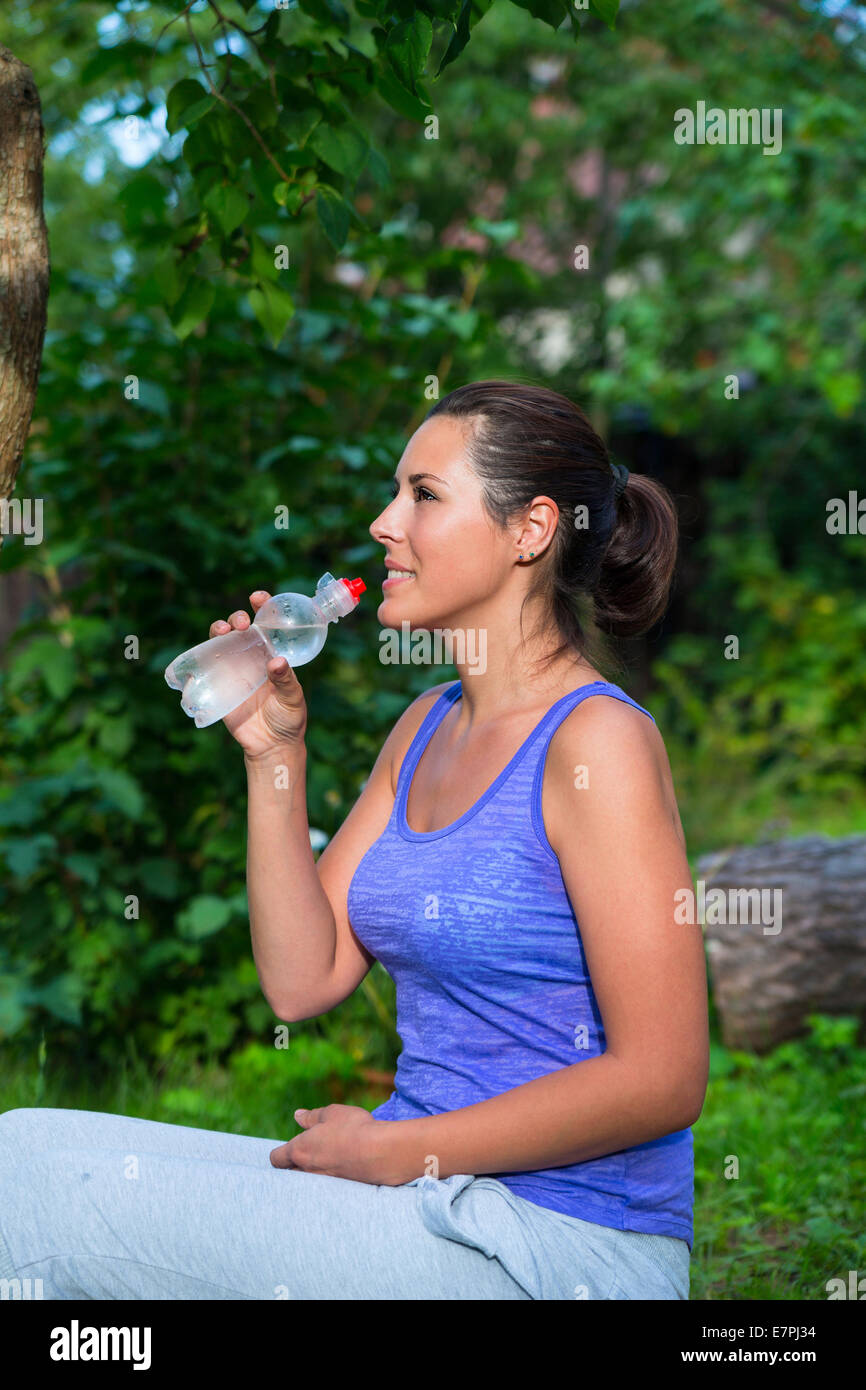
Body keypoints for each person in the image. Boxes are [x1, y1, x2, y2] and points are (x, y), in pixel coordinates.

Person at [0, 379, 708, 1300]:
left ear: (531, 529)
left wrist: (395, 1149)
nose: (384, 522)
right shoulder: (424, 729)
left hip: (554, 1244)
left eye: (424, 495)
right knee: (19, 1142)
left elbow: (663, 1076)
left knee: (29, 1199)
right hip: (426, 1198)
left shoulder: (597, 745)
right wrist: (272, 756)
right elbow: (304, 979)